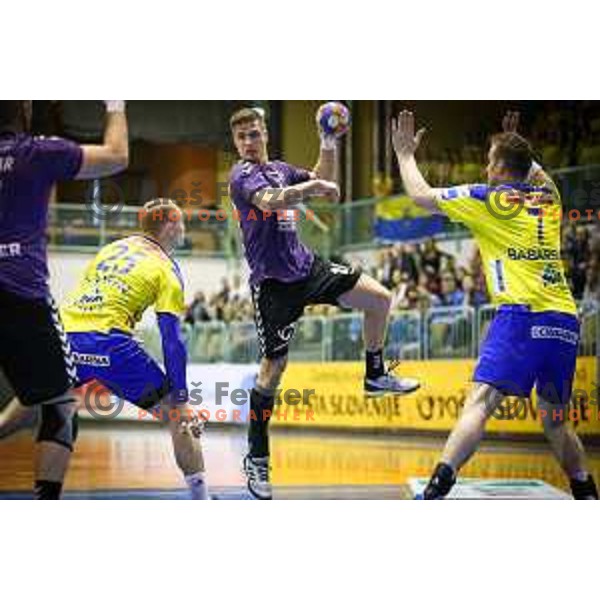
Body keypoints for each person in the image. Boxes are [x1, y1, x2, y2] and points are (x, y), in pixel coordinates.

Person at [393, 109, 598, 499]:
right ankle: (586, 493)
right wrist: (517, 146)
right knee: (555, 419)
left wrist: (405, 155)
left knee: (482, 401)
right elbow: (533, 171)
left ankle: (437, 489)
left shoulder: (488, 199)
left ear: (503, 169)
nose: (486, 169)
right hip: (564, 322)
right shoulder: (549, 197)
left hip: (521, 316)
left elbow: (421, 196)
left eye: (491, 161)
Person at [229, 106, 419, 499]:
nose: (249, 141)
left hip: (307, 267)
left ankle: (374, 373)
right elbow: (268, 201)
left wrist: (328, 141)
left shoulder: (281, 167)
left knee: (380, 299)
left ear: (265, 133)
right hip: (274, 286)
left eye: (254, 133)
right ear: (236, 142)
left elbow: (326, 179)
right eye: (242, 136)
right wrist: (309, 190)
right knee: (272, 371)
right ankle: (258, 458)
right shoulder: (241, 176)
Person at [0, 100, 128, 499]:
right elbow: (116, 155)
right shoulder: (37, 152)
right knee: (60, 406)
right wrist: (116, 103)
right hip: (20, 294)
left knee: (38, 390)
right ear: (24, 107)